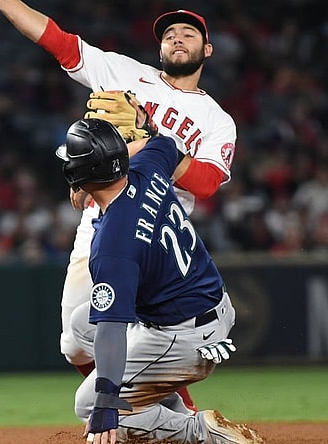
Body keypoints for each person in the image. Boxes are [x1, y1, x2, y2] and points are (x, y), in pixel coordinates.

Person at [0, 0, 237, 411]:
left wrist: (146, 137)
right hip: (100, 221)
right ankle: (164, 414)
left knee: (129, 331)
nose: (177, 38)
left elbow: (208, 183)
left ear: (207, 50)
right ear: (159, 49)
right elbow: (58, 41)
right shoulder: (125, 74)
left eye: (189, 34)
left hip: (156, 235)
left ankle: (173, 421)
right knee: (75, 343)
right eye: (169, 34)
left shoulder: (216, 119)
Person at [56, 118, 263, 444]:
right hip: (210, 307)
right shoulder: (148, 168)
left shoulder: (112, 246)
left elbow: (111, 329)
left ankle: (201, 434)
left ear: (78, 176)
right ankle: (173, 409)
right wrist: (123, 149)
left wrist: (108, 400)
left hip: (182, 339)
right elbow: (164, 142)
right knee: (83, 324)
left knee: (87, 404)